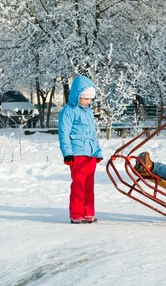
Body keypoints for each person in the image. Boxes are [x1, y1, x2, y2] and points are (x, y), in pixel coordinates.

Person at [58, 75, 103, 224]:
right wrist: (68, 154)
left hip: (90, 153)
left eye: (90, 99)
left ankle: (88, 212)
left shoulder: (88, 112)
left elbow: (92, 134)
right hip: (77, 153)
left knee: (89, 185)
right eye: (85, 98)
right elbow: (64, 133)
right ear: (77, 96)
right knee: (78, 184)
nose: (88, 102)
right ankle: (77, 214)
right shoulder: (68, 111)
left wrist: (98, 152)